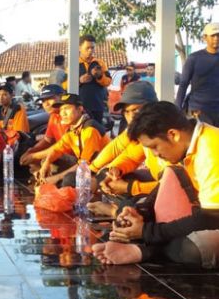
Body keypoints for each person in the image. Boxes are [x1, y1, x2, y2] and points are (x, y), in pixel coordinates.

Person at [93, 102, 219, 269]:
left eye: (154, 147)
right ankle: (139, 242)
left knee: (195, 247)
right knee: (139, 202)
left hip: (212, 216)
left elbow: (211, 217)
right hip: (203, 210)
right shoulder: (187, 146)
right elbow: (168, 183)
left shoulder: (211, 149)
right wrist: (140, 212)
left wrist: (146, 232)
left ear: (173, 134)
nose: (155, 154)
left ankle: (145, 251)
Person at [39, 93, 109, 187]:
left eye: (66, 108)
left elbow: (85, 164)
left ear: (80, 109)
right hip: (86, 165)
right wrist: (46, 163)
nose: (62, 113)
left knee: (69, 179)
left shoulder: (90, 129)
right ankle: (50, 185)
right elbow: (57, 149)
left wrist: (58, 177)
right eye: (61, 110)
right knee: (51, 160)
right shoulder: (73, 129)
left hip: (104, 170)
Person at [175, 22, 219, 126]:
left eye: (218, 35)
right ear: (205, 37)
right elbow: (183, 84)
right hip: (199, 110)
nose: (216, 38)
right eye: (213, 35)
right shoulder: (194, 58)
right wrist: (176, 109)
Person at [20, 84, 67, 167]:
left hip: (75, 156)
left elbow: (64, 146)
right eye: (43, 101)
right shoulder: (53, 116)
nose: (46, 104)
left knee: (42, 159)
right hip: (62, 151)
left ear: (61, 96)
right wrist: (31, 151)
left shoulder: (69, 115)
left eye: (50, 98)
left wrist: (35, 155)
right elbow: (47, 140)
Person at [77, 34, 112, 124]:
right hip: (79, 107)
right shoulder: (74, 63)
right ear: (80, 48)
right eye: (87, 48)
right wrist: (79, 81)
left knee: (97, 132)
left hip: (97, 107)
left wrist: (99, 76)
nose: (90, 50)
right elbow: (65, 84)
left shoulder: (100, 63)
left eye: (92, 48)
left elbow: (108, 81)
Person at [0, 83, 30, 148]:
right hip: (4, 143)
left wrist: (1, 134)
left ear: (12, 95)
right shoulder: (0, 111)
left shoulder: (18, 108)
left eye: (5, 94)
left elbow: (18, 134)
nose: (1, 98)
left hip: (16, 145)